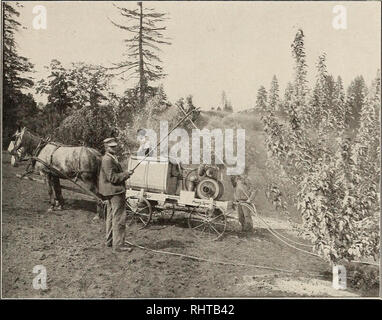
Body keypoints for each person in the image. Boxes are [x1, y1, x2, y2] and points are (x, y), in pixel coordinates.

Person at [99, 137, 133, 252]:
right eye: (111, 147)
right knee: (119, 218)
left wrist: (125, 173)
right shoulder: (107, 160)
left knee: (110, 217)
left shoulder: (111, 158)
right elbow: (112, 178)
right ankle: (118, 245)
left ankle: (109, 241)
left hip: (110, 192)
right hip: (115, 192)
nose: (115, 148)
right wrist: (126, 174)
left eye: (115, 146)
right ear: (106, 147)